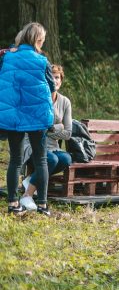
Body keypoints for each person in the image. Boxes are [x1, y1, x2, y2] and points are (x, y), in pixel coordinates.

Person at [1, 22, 55, 216]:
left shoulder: (8, 58)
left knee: (15, 160)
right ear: (38, 39)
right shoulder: (42, 61)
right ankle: (42, 205)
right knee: (41, 160)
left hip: (13, 116)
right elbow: (52, 87)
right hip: (37, 116)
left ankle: (13, 203)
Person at [19, 64, 72, 211]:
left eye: (57, 77)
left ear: (61, 81)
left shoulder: (65, 102)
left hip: (52, 147)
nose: (54, 80)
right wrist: (58, 126)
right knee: (51, 160)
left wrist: (53, 128)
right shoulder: (38, 99)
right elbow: (35, 130)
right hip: (32, 145)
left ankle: (30, 180)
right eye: (51, 77)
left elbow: (68, 133)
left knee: (66, 159)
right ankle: (27, 196)